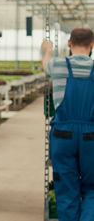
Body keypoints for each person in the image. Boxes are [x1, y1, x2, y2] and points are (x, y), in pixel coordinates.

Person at [41, 27, 94, 221]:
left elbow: (44, 65)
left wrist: (47, 50)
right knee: (92, 189)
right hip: (91, 136)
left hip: (63, 136)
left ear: (69, 44)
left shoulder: (58, 65)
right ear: (92, 45)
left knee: (66, 189)